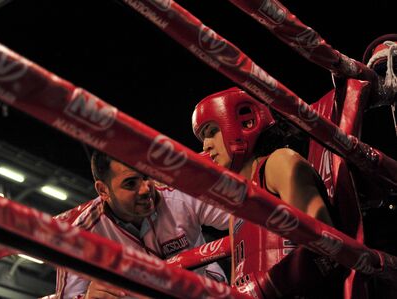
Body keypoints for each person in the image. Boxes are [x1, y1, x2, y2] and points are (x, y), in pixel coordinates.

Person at [192, 87, 346, 298]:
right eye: (202, 138)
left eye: (211, 132)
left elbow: (327, 248)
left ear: (247, 123)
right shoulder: (235, 209)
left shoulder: (278, 163)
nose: (206, 146)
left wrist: (267, 286)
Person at [55, 150, 231, 299]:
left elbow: (247, 220)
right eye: (131, 183)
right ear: (103, 190)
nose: (146, 189)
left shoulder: (179, 195)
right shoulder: (81, 234)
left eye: (146, 176)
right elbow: (68, 295)